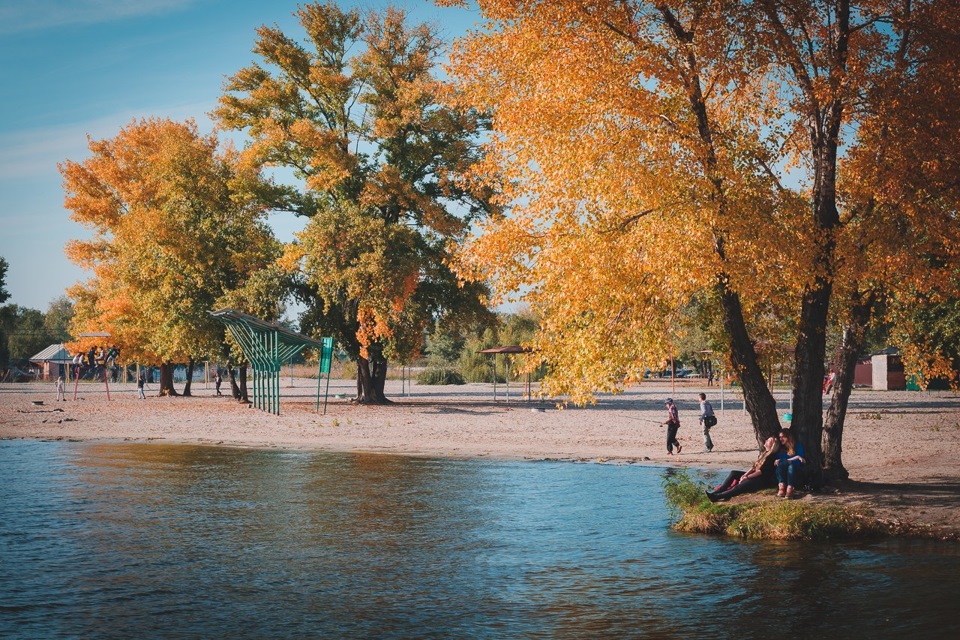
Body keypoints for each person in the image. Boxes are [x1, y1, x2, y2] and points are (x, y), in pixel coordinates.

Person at [707, 437, 780, 502]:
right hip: (754, 475)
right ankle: (718, 491)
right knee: (734, 473)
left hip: (761, 479)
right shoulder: (765, 453)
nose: (766, 441)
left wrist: (747, 477)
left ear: (772, 445)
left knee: (739, 487)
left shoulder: (771, 457)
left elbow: (761, 472)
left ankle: (717, 496)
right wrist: (745, 474)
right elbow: (754, 467)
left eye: (768, 441)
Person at [775, 428, 806, 498]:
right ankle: (781, 486)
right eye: (780, 437)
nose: (781, 439)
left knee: (791, 466)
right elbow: (781, 461)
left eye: (783, 437)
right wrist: (796, 457)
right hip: (783, 473)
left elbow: (802, 460)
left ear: (788, 437)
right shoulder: (781, 449)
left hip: (795, 472)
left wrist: (795, 458)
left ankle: (790, 488)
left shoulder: (797, 446)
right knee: (781, 463)